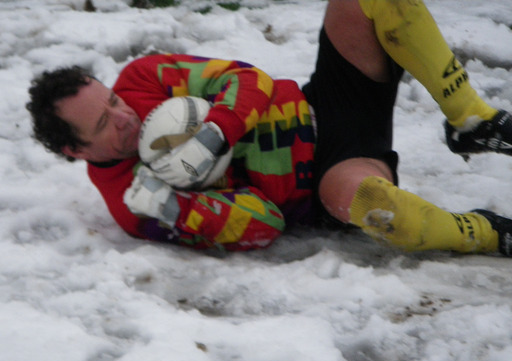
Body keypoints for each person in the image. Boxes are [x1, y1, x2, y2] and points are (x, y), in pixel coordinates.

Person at [27, 0, 512, 256]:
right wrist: (178, 206)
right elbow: (265, 224)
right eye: (103, 123)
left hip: (323, 101)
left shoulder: (140, 78)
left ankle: (472, 119)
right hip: (327, 178)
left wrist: (216, 133)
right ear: (76, 150)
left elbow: (247, 79)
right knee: (381, 210)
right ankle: (491, 234)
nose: (124, 115)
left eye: (111, 101)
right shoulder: (136, 206)